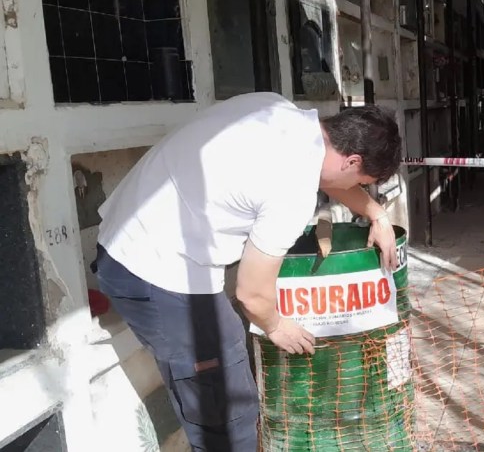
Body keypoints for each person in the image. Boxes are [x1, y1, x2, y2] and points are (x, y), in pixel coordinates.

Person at [91, 92, 402, 451]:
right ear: (352, 161)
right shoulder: (291, 191)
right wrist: (277, 326)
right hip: (155, 269)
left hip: (130, 235)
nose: (354, 189)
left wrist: (376, 214)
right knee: (228, 411)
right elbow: (252, 295)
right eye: (360, 181)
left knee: (221, 371)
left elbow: (332, 177)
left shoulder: (278, 111)